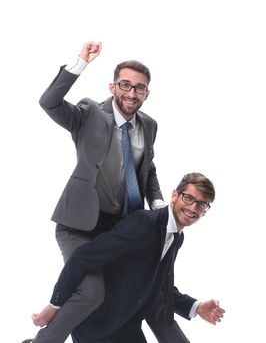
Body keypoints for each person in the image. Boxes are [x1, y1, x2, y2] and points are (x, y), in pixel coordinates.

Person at [24, 41, 165, 343]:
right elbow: (49, 102)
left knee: (117, 298)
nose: (131, 93)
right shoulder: (89, 113)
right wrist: (79, 63)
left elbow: (147, 167)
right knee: (90, 293)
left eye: (139, 88)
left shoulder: (149, 126)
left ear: (146, 94)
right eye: (125, 85)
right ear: (113, 86)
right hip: (79, 224)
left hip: (120, 230)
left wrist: (157, 203)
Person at [25, 173, 225, 343]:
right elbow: (83, 257)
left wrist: (196, 307)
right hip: (97, 325)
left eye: (202, 205)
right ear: (175, 195)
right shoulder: (144, 223)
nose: (193, 208)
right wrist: (55, 305)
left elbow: (159, 286)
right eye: (189, 198)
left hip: (126, 325)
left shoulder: (176, 238)